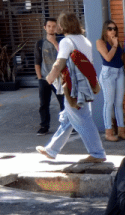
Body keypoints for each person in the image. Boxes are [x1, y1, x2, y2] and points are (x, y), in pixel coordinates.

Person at [36, 13, 106, 163]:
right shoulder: (85, 40)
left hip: (73, 87)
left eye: (59, 24)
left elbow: (58, 64)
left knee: (83, 119)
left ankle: (97, 153)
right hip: (83, 84)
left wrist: (48, 79)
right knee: (68, 118)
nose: (58, 27)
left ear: (63, 25)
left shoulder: (66, 42)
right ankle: (51, 149)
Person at [96, 20, 125, 142]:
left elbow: (121, 57)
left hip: (119, 71)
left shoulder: (117, 41)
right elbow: (108, 58)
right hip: (108, 73)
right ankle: (108, 132)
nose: (113, 31)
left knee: (119, 103)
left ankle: (121, 131)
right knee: (108, 103)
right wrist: (114, 45)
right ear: (105, 30)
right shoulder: (100, 42)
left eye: (114, 29)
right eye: (110, 28)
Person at [34, 17, 65, 135]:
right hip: (45, 78)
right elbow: (37, 61)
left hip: (60, 78)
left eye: (54, 26)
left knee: (63, 102)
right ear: (45, 27)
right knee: (43, 104)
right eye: (49, 26)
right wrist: (40, 78)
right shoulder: (40, 43)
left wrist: (53, 42)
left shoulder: (62, 41)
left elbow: (63, 55)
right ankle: (44, 126)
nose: (51, 28)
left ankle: (67, 125)